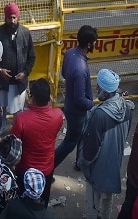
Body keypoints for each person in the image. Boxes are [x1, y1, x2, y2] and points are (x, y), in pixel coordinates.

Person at [79, 69, 134, 219]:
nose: (97, 89)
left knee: (92, 202)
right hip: (115, 164)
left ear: (107, 93)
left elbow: (91, 149)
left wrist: (83, 163)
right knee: (107, 198)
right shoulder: (127, 108)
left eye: (99, 87)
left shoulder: (99, 115)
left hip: (97, 168)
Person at [11, 78, 63, 204]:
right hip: (46, 169)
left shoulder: (21, 119)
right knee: (43, 203)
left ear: (32, 97)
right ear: (49, 97)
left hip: (25, 169)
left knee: (22, 203)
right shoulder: (58, 116)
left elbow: (14, 146)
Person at [54, 25, 97, 168]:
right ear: (89, 44)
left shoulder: (70, 53)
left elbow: (64, 74)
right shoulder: (80, 68)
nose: (96, 44)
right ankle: (50, 166)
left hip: (70, 104)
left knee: (82, 135)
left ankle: (80, 163)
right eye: (94, 42)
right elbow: (80, 100)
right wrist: (91, 104)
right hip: (77, 112)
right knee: (70, 142)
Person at [0, 2, 35, 116]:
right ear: (5, 18)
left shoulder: (25, 33)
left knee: (18, 111)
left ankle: (17, 128)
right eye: (9, 18)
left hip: (18, 82)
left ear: (18, 17)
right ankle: (1, 127)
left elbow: (31, 57)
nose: (12, 21)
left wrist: (25, 72)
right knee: (1, 109)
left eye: (14, 17)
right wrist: (0, 70)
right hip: (2, 82)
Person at [0, 135, 22, 218]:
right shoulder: (8, 182)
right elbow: (12, 206)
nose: (21, 155)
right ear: (13, 159)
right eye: (20, 155)